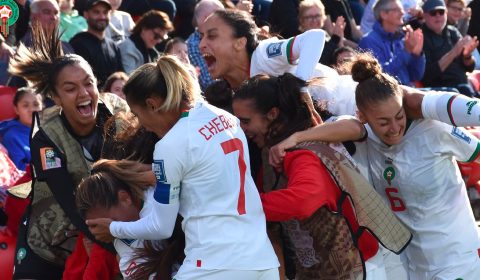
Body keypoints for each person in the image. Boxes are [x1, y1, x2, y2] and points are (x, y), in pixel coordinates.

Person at [270, 54, 480, 280]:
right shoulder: (365, 137)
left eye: (399, 116)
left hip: (456, 259)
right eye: (383, 122)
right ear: (363, 117)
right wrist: (297, 138)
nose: (394, 128)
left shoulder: (434, 129)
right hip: (411, 263)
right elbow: (349, 126)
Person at [85, 55, 280, 279]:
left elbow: (161, 226)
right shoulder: (227, 118)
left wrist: (113, 229)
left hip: (215, 265)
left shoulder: (170, 145)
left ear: (152, 104)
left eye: (138, 115)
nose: (144, 126)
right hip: (262, 260)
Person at [232, 73, 411, 279]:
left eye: (245, 121)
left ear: (272, 114)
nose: (240, 129)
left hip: (358, 269)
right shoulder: (271, 154)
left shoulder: (304, 154)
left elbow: (303, 200)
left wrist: (236, 206)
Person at [8, 23, 128, 279]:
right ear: (56, 97)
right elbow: (69, 199)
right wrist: (114, 244)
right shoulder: (45, 136)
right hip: (48, 242)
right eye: (71, 89)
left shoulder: (119, 115)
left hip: (108, 235)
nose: (84, 94)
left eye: (89, 84)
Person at [76, 159, 184, 279]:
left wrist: (114, 228)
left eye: (110, 223)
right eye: (102, 227)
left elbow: (162, 228)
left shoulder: (158, 197)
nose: (107, 230)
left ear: (125, 198)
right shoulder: (123, 241)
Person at [358, 0, 425, 86]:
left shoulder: (402, 39)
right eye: (397, 10)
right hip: (385, 97)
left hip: (406, 93)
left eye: (402, 9)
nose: (402, 13)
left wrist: (417, 55)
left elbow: (415, 76)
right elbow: (379, 76)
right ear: (384, 14)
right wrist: (406, 52)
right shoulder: (369, 41)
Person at [421, 0, 479, 97]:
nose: (438, 16)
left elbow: (469, 67)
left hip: (463, 87)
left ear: (446, 13)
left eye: (441, 12)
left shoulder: (453, 32)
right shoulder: (421, 37)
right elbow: (427, 75)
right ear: (425, 16)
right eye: (433, 13)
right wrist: (453, 53)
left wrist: (467, 56)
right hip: (440, 92)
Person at [70, 0, 124, 88]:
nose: (102, 17)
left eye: (105, 12)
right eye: (96, 12)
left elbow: (121, 76)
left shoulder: (113, 46)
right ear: (86, 15)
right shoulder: (78, 43)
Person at [118, 10, 173, 74]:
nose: (158, 41)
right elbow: (129, 80)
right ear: (144, 28)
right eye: (156, 36)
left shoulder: (152, 52)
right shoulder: (128, 50)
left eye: (162, 38)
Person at [0, 87, 42, 171]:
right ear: (16, 109)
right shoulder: (11, 137)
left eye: (36, 104)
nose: (32, 109)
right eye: (25, 105)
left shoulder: (49, 128)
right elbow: (20, 169)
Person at [186, 0, 224, 91]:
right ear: (206, 18)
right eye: (221, 16)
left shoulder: (225, 35)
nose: (225, 20)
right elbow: (210, 83)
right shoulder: (193, 45)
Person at [298, 0, 347, 65]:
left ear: (323, 17)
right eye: (309, 17)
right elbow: (319, 62)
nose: (314, 20)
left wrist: (340, 41)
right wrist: (335, 39)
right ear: (302, 20)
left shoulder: (326, 36)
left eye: (317, 16)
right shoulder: (300, 40)